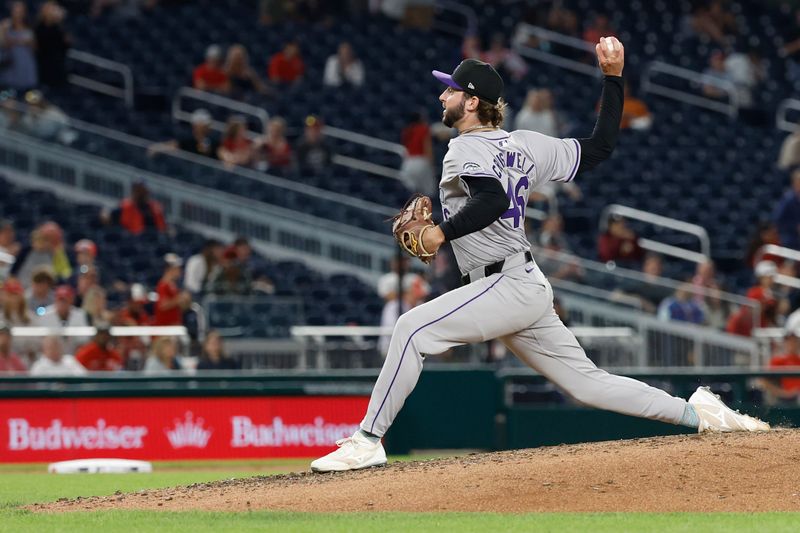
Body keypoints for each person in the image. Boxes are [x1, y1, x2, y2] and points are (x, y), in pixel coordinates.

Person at [310, 38, 769, 473]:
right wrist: (613, 77)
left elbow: (488, 200)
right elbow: (600, 146)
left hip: (505, 284)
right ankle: (700, 415)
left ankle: (368, 441)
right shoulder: (523, 144)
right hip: (520, 284)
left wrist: (439, 235)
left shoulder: (462, 148)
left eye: (449, 89)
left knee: (411, 329)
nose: (442, 96)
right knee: (588, 384)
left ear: (471, 101)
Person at [147, 108, 218, 159]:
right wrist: (158, 147)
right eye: (203, 124)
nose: (207, 127)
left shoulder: (214, 140)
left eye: (207, 124)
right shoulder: (187, 138)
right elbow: (174, 145)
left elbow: (214, 152)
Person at [0, 1, 37, 91]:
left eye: (20, 11)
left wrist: (27, 42)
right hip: (11, 64)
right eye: (16, 10)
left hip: (26, 63)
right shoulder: (5, 25)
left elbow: (35, 48)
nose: (18, 13)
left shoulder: (29, 26)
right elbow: (3, 45)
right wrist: (4, 32)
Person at [34, 1, 70, 88]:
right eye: (49, 9)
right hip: (43, 65)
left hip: (58, 65)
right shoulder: (38, 27)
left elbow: (67, 43)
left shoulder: (59, 27)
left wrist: (59, 21)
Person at [399, 111, 435, 196]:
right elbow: (427, 147)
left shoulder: (407, 130)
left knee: (410, 192)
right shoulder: (423, 129)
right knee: (427, 193)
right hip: (421, 161)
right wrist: (431, 163)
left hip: (408, 162)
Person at [154, 253, 191, 326]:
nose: (179, 271)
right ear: (169, 269)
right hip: (166, 328)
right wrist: (179, 298)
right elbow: (162, 305)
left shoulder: (173, 285)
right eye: (177, 268)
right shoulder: (163, 285)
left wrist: (186, 301)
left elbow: (180, 307)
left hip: (174, 325)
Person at [773, 169, 800, 250]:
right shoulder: (788, 199)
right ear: (794, 183)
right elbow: (777, 219)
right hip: (790, 237)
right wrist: (795, 227)